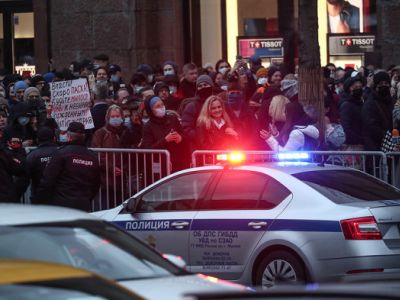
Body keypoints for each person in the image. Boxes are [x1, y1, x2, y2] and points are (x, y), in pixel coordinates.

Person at [34, 122, 100, 211]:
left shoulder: (61, 153)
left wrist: (40, 201)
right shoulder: (92, 157)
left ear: (68, 136)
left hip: (62, 206)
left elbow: (47, 180)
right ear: (84, 137)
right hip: (83, 205)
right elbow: (96, 184)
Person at [91, 105, 127, 207]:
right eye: (113, 116)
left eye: (117, 116)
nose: (115, 118)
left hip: (123, 181)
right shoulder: (100, 133)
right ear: (108, 118)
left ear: (122, 117)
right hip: (105, 182)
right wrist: (111, 168)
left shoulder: (126, 132)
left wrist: (124, 168)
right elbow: (97, 154)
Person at [141, 95, 188, 172]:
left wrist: (180, 138)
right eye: (157, 106)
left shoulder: (173, 118)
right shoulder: (148, 126)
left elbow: (185, 135)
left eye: (162, 104)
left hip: (177, 162)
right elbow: (148, 149)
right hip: (160, 166)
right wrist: (165, 140)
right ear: (151, 110)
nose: (161, 107)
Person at [181, 74, 214, 152]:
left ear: (211, 85)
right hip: (198, 148)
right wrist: (200, 137)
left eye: (205, 85)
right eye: (200, 86)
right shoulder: (191, 106)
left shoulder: (218, 103)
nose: (203, 87)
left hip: (218, 146)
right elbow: (186, 128)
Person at [362, 71, 394, 151]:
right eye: (380, 83)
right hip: (375, 146)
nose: (384, 85)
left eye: (386, 83)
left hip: (390, 145)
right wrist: (386, 136)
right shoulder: (370, 103)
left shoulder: (391, 102)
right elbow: (371, 125)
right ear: (376, 86)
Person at [26, 127, 58, 203]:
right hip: (59, 197)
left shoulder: (32, 156)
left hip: (38, 197)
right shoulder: (61, 153)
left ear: (37, 140)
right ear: (54, 138)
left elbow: (24, 177)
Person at [339, 75, 364, 151]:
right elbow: (346, 128)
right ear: (349, 89)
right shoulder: (346, 105)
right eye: (355, 87)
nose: (359, 89)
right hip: (353, 146)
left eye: (360, 87)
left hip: (363, 143)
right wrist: (359, 139)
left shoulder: (362, 104)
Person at [0, 138, 26, 203]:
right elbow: (20, 168)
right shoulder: (4, 153)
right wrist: (18, 150)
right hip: (5, 195)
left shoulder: (4, 152)